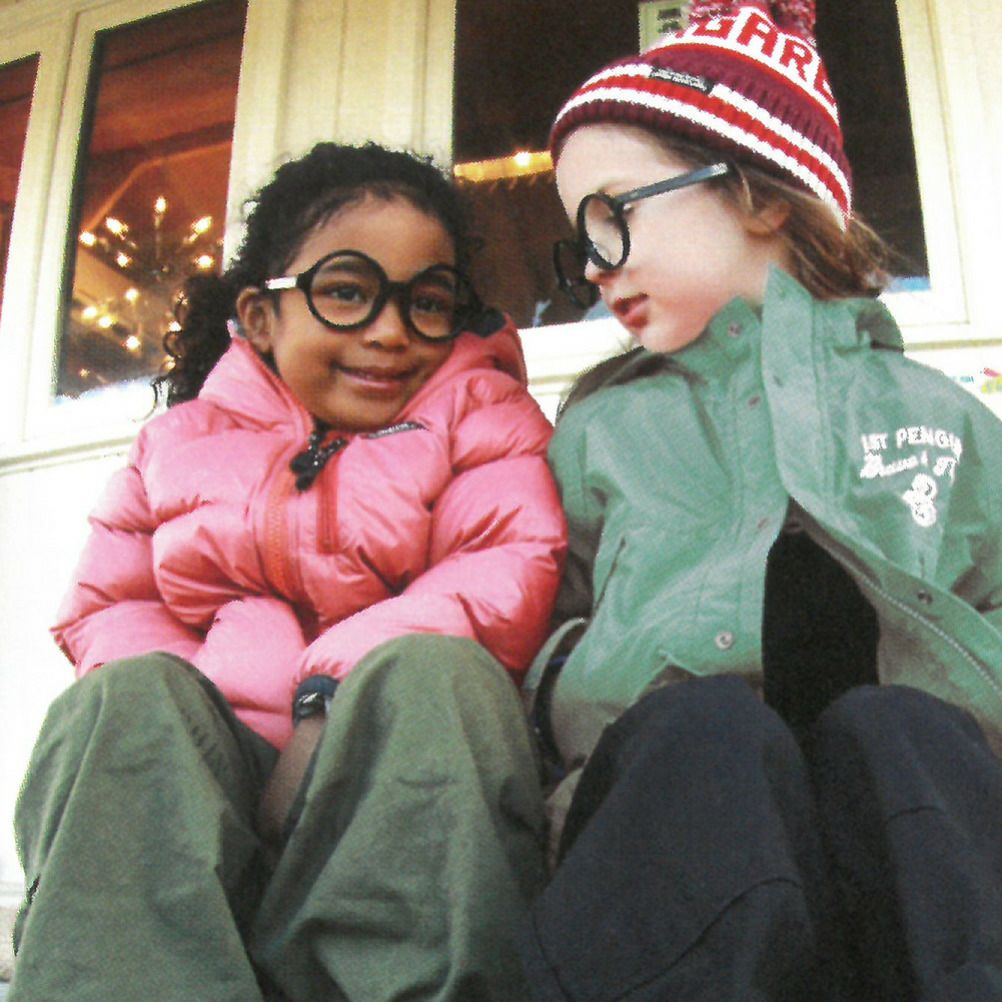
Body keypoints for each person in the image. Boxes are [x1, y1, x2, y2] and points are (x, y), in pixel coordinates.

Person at [518, 2, 1002, 999]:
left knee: (902, 732)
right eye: (580, 243)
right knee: (704, 732)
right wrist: (583, 681)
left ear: (758, 195)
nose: (596, 268)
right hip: (679, 835)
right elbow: (545, 622)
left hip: (921, 837)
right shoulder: (598, 432)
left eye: (614, 215)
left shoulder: (938, 416)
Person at [11, 141, 566, 1002]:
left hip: (392, 793)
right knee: (122, 698)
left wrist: (323, 701)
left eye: (426, 303)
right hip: (218, 788)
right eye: (346, 291)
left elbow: (503, 571)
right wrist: (216, 743)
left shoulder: (482, 415)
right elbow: (111, 610)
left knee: (436, 675)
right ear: (262, 317)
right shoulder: (178, 444)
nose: (389, 331)